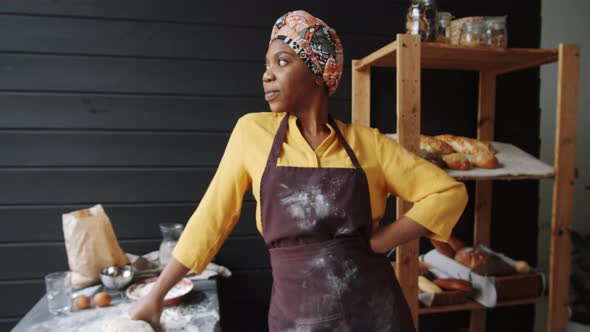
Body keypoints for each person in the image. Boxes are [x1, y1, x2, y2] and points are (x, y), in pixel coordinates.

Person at [130, 10, 468, 332]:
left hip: (375, 314)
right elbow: (209, 220)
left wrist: (383, 241)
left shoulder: (369, 145)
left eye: (282, 62)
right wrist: (157, 294)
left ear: (319, 72)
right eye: (266, 65)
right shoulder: (252, 132)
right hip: (296, 319)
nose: (267, 74)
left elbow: (448, 193)